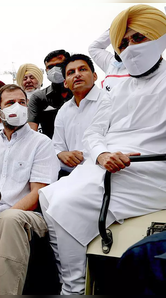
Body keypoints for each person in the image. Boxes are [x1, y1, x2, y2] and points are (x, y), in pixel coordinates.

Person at [39, 4, 166, 295]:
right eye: (122, 42)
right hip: (105, 164)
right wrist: (102, 154)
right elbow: (94, 132)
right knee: (48, 198)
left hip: (151, 168)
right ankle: (74, 281)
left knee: (65, 203)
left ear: (159, 37)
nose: (130, 47)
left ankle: (72, 290)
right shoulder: (116, 82)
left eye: (138, 38)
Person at [0, 84, 59, 295]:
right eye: (10, 103)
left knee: (9, 220)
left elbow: (37, 193)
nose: (18, 107)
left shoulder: (41, 143)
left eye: (22, 102)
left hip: (29, 217)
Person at [52, 54, 102, 175]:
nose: (77, 75)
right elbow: (56, 146)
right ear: (65, 83)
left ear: (95, 76)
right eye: (71, 72)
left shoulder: (108, 101)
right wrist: (61, 154)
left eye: (82, 69)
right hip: (69, 174)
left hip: (102, 171)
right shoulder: (64, 110)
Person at [27, 50, 73, 138]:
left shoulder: (81, 93)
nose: (54, 70)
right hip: (52, 148)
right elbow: (31, 132)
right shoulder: (38, 98)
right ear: (46, 70)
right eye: (50, 67)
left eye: (59, 65)